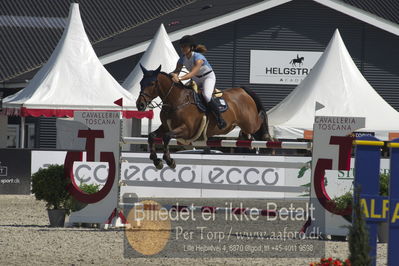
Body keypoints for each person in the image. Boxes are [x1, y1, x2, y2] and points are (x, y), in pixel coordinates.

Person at [171, 35, 226, 129]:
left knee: (206, 96)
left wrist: (179, 78)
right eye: (181, 46)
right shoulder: (182, 58)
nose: (182, 48)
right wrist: (173, 75)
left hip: (207, 77)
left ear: (191, 47)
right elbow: (176, 71)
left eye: (185, 46)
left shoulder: (198, 57)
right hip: (196, 79)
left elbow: (192, 73)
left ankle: (219, 119)